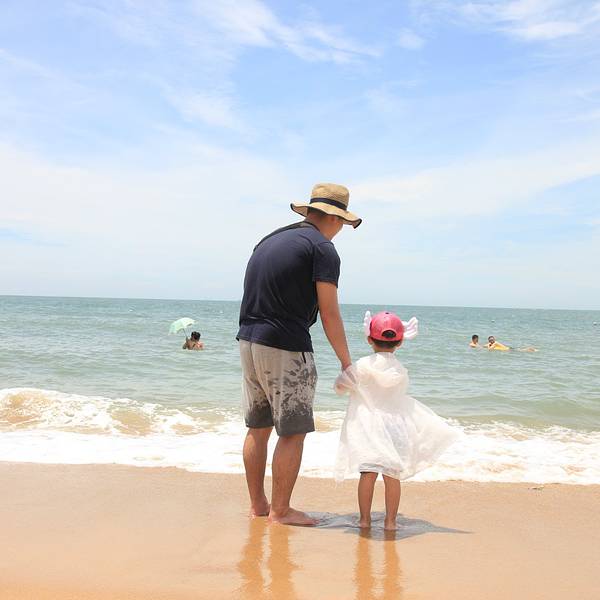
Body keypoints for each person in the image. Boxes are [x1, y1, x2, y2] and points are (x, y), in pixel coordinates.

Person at [237, 182, 361, 526]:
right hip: (285, 344)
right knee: (292, 431)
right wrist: (346, 362)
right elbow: (329, 312)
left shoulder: (269, 240)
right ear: (334, 218)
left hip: (248, 339)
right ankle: (281, 511)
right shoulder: (322, 248)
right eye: (343, 224)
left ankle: (258, 505)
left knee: (258, 427)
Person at [334, 311, 460, 531]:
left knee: (368, 473)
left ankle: (364, 520)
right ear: (400, 342)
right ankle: (391, 522)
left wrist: (344, 375)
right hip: (395, 426)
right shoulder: (400, 369)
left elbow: (340, 387)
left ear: (369, 339)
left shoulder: (362, 365)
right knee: (392, 475)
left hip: (368, 426)